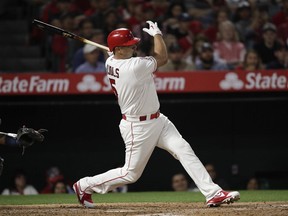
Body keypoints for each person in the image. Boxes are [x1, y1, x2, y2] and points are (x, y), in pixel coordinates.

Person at [72, 20, 240, 208]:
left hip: (158, 120)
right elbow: (162, 58)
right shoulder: (134, 66)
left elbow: (116, 55)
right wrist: (158, 35)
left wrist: (116, 50)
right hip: (138, 126)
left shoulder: (111, 61)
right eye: (129, 45)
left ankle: (213, 193)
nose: (134, 46)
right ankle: (84, 185)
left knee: (183, 150)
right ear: (118, 50)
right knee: (130, 174)